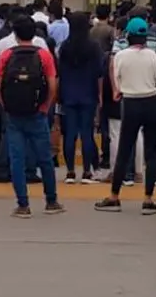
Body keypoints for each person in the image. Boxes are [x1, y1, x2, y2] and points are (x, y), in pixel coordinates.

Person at [95, 17, 156, 215]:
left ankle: (114, 196)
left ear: (128, 36)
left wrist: (118, 91)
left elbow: (116, 80)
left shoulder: (120, 56)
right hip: (151, 102)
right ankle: (148, 199)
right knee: (151, 152)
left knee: (124, 149)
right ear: (145, 38)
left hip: (129, 104)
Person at [0, 16, 65, 218]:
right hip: (37, 113)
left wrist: (5, 105)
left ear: (15, 34)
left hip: (14, 114)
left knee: (17, 159)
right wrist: (45, 105)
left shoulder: (7, 55)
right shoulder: (44, 55)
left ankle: (23, 205)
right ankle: (51, 201)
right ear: (34, 33)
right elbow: (52, 84)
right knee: (44, 158)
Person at [57, 12, 105, 184]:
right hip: (88, 93)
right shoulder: (93, 47)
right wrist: (100, 95)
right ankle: (86, 171)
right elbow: (100, 73)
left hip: (68, 93)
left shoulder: (65, 47)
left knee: (69, 133)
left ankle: (70, 171)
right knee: (87, 133)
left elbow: (59, 73)